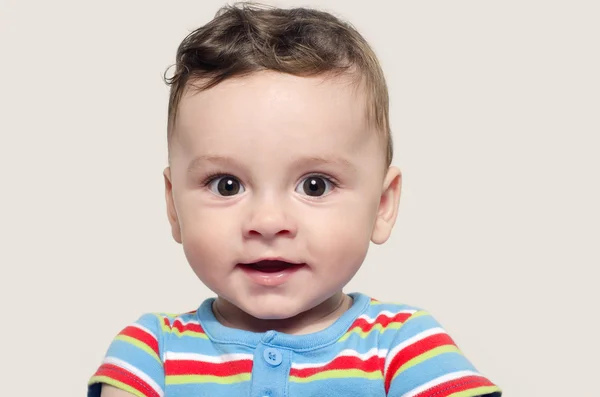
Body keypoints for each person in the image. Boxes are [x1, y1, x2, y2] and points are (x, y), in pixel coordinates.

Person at [87, 3, 502, 396]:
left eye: (315, 185)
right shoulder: (149, 354)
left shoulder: (404, 347)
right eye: (226, 185)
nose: (268, 222)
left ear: (382, 205)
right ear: (174, 205)